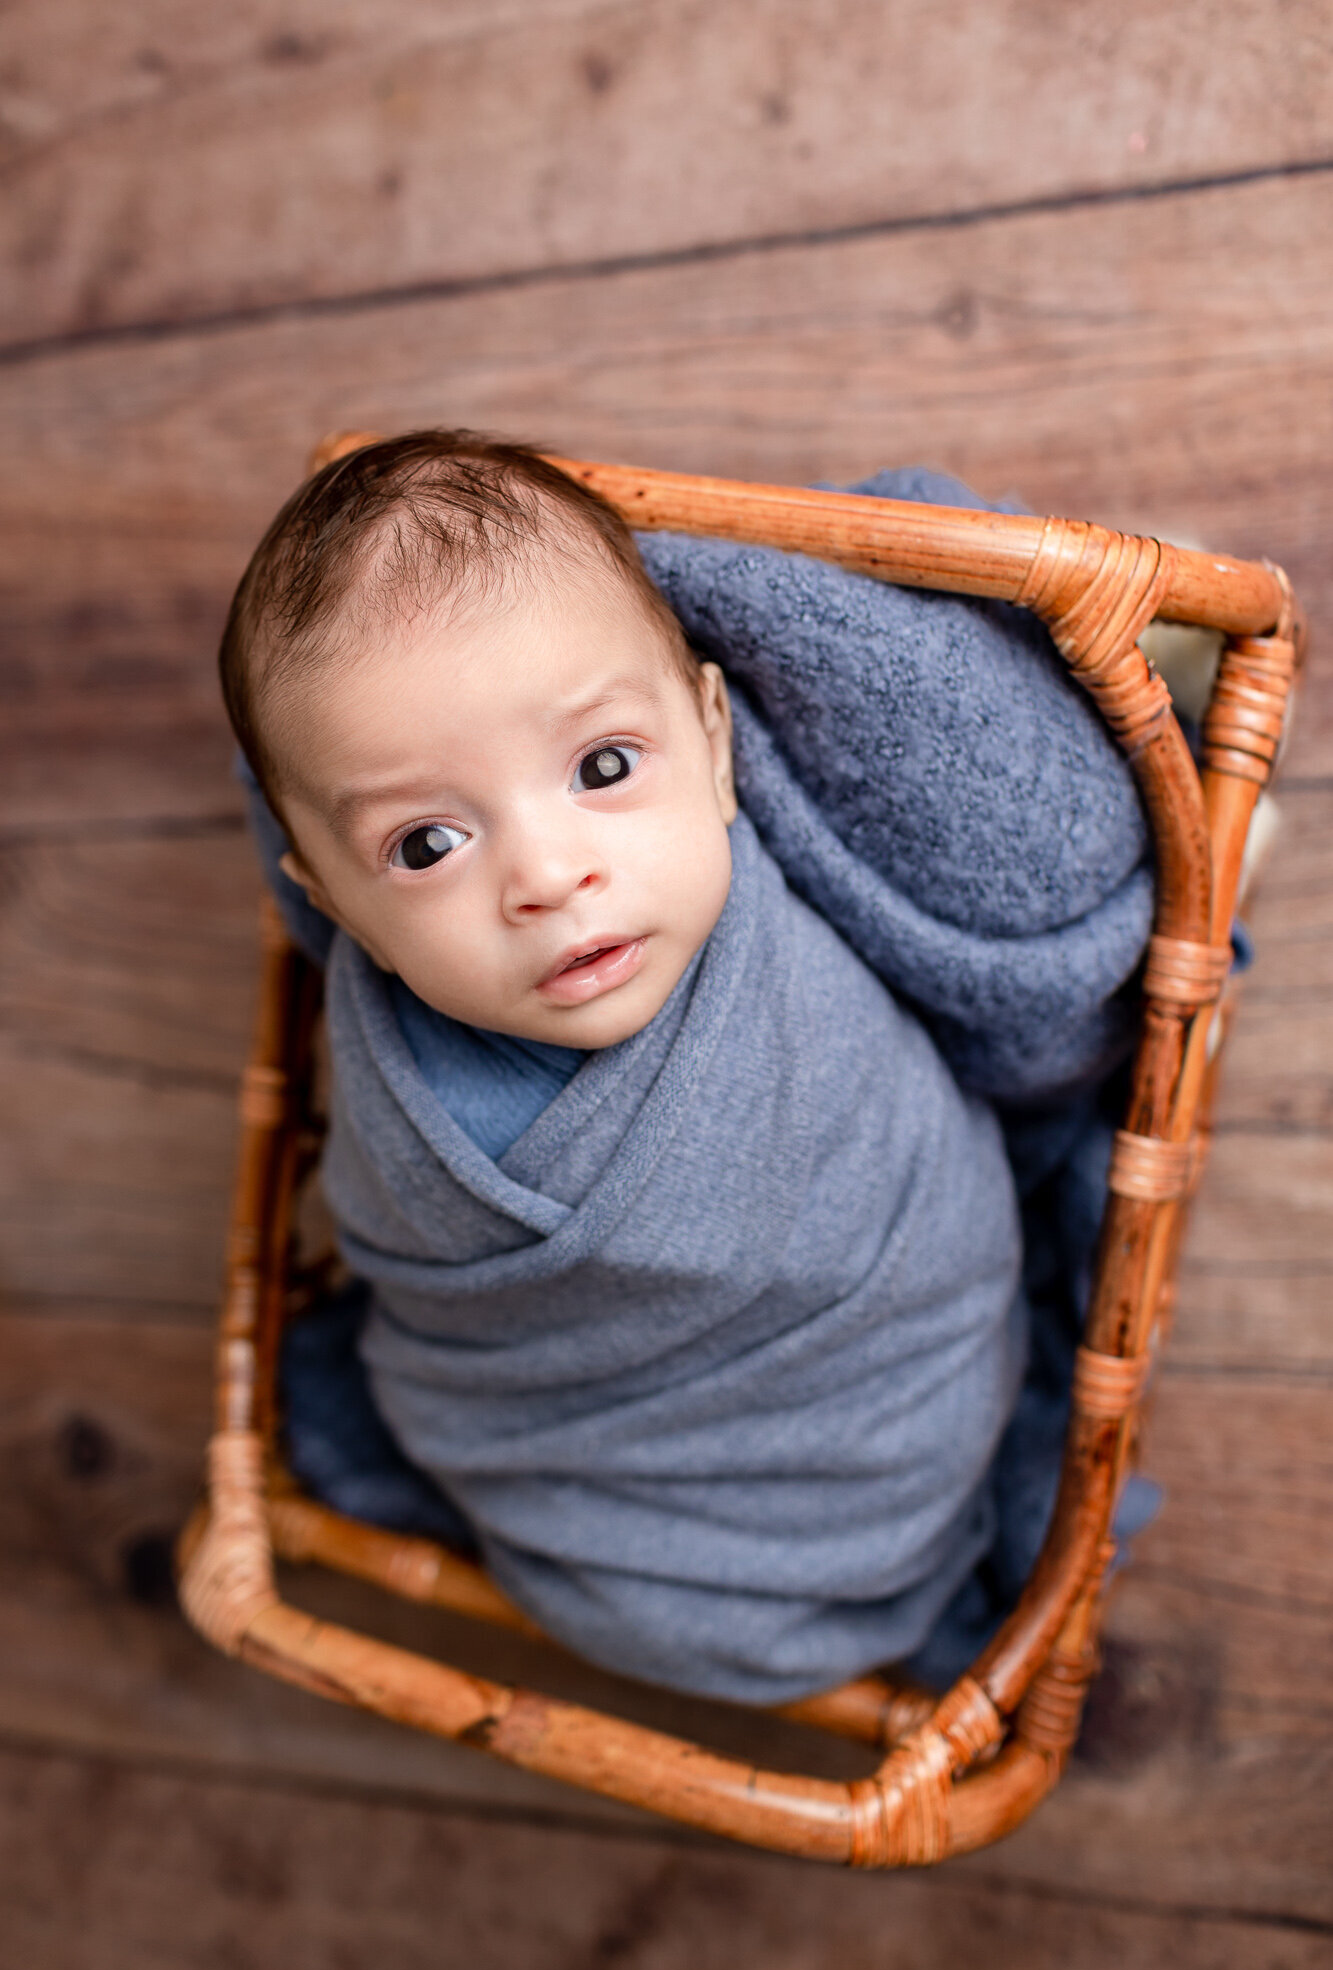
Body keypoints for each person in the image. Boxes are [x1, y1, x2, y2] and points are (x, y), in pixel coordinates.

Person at [219, 430, 1076, 1705]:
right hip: (614, 1500)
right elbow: (427, 1292)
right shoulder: (426, 1108)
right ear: (329, 899)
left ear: (717, 744)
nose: (548, 876)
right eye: (426, 843)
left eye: (603, 768)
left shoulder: (776, 902)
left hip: (899, 1375)